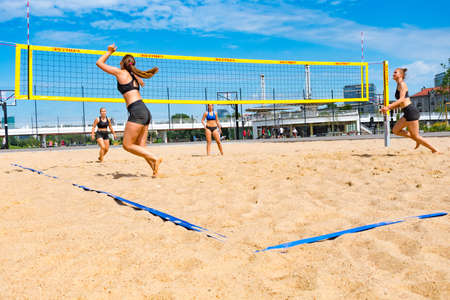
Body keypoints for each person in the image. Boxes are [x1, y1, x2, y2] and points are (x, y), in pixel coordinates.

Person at [96, 44, 163, 176]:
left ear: (122, 63)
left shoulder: (121, 73)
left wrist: (109, 52)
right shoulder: (134, 77)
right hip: (145, 111)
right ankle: (155, 170)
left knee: (127, 145)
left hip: (137, 111)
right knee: (141, 146)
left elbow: (99, 63)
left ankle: (155, 158)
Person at [380, 68, 439, 153]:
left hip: (411, 112)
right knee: (395, 130)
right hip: (407, 112)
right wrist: (388, 108)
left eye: (395, 72)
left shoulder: (402, 84)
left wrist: (389, 107)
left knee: (416, 136)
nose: (393, 74)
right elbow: (401, 104)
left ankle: (435, 150)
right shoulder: (398, 85)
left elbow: (401, 99)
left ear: (400, 75)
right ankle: (417, 140)